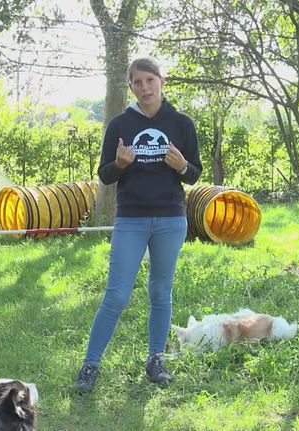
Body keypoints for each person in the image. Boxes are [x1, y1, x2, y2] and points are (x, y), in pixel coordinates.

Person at [73, 57, 202, 393]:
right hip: (131, 219)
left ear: (162, 81)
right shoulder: (120, 125)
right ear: (130, 86)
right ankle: (90, 365)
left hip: (170, 219)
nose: (144, 88)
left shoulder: (181, 124)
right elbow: (104, 175)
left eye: (150, 80)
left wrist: (181, 165)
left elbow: (194, 174)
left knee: (160, 292)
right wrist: (119, 163)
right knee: (116, 295)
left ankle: (156, 360)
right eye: (137, 82)